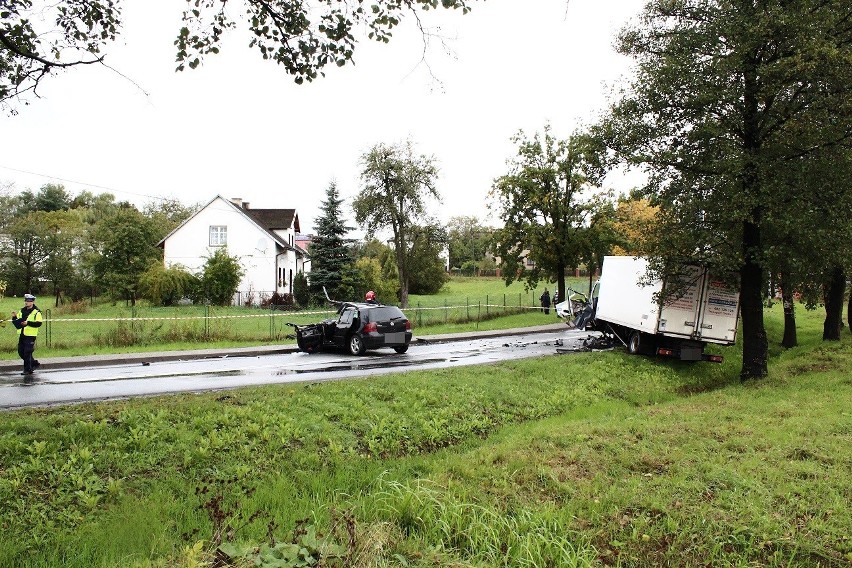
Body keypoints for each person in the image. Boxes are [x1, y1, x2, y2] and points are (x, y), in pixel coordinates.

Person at [11, 293, 43, 376]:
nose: (27, 302)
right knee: (21, 352)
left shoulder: (37, 312)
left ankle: (27, 369)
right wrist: (14, 317)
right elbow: (18, 320)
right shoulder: (22, 310)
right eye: (26, 301)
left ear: (32, 302)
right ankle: (34, 363)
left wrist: (28, 323)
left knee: (27, 352)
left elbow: (39, 323)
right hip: (22, 334)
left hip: (31, 335)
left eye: (29, 301)